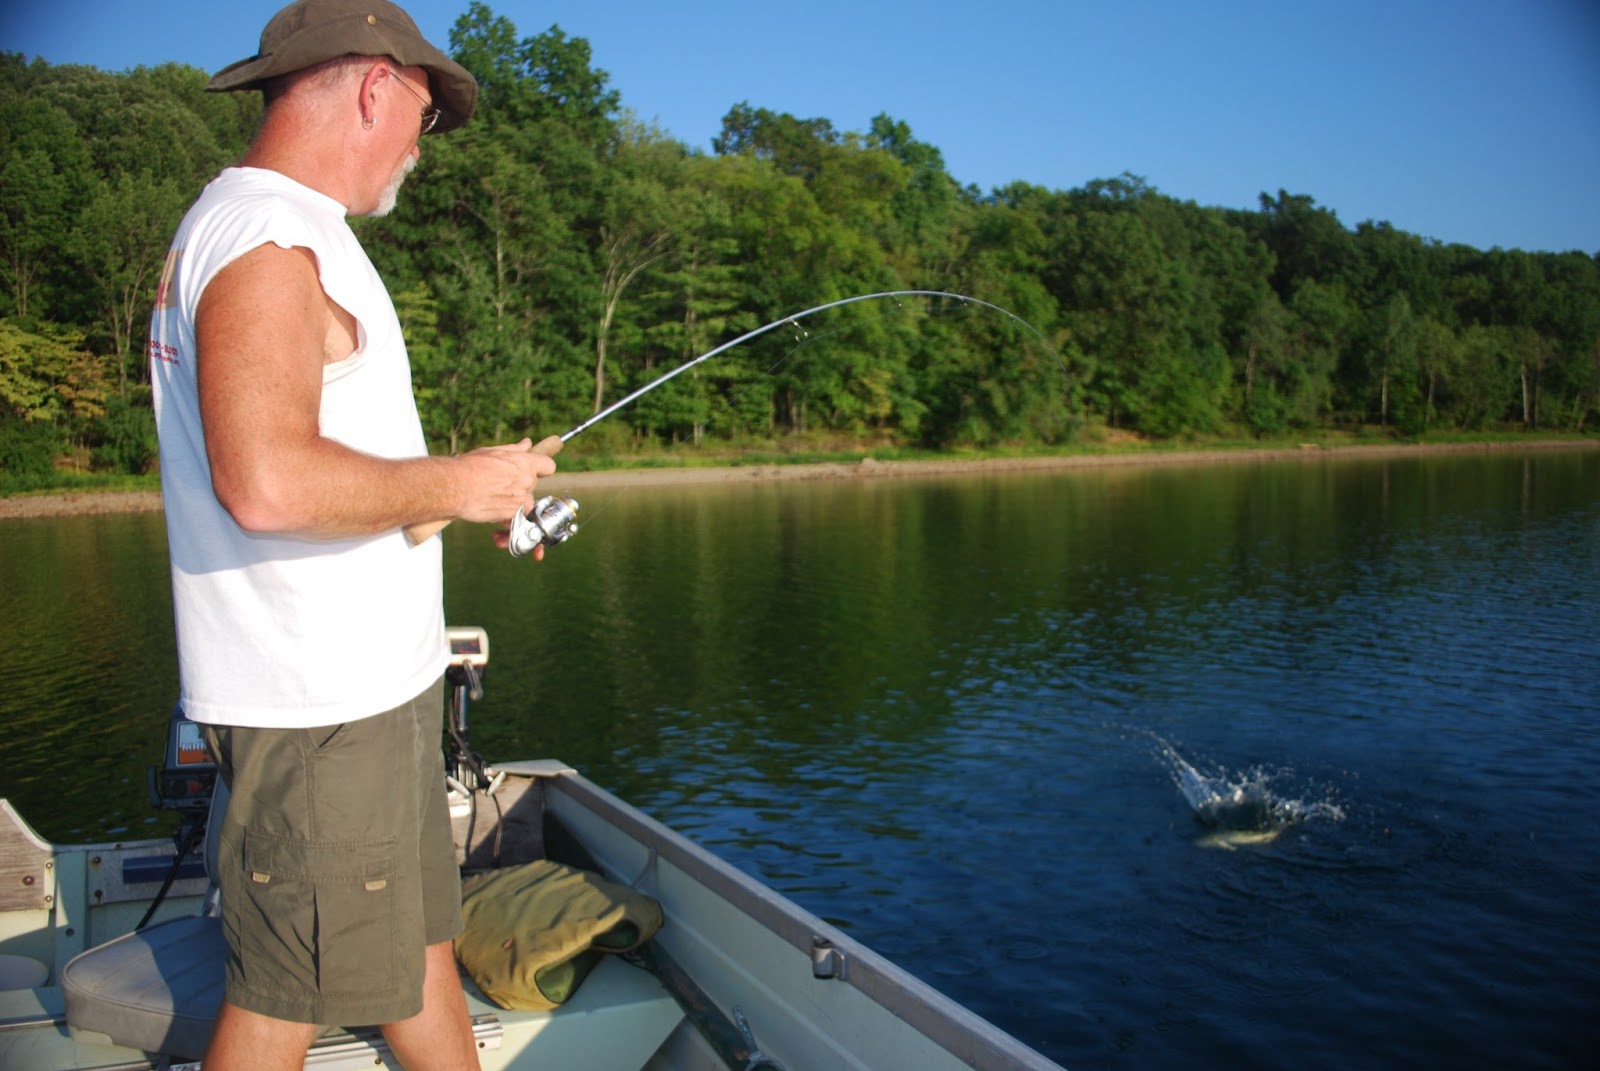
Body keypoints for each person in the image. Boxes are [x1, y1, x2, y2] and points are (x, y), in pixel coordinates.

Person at [148, 2, 556, 1067]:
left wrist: (458, 497)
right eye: (422, 116)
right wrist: (455, 481)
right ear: (376, 87)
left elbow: (326, 472)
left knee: (422, 951)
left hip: (373, 697)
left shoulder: (292, 232)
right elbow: (268, 482)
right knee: (284, 999)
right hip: (319, 714)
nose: (420, 149)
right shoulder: (266, 238)